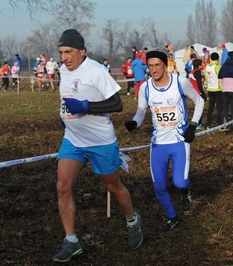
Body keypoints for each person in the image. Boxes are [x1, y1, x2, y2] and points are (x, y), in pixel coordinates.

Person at [54, 29, 143, 262]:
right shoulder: (63, 70)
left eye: (69, 52)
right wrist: (64, 114)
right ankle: (71, 240)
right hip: (73, 140)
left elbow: (117, 103)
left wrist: (85, 106)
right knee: (63, 186)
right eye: (61, 52)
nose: (64, 57)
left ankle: (132, 219)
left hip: (101, 142)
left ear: (82, 51)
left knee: (113, 187)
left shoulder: (95, 70)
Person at [124, 50, 204, 231]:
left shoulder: (180, 82)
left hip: (179, 141)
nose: (154, 70)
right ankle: (173, 217)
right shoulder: (146, 87)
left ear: (165, 65)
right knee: (159, 186)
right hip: (158, 143)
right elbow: (141, 112)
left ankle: (186, 192)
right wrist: (134, 123)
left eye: (157, 65)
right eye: (150, 66)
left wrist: (192, 125)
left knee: (180, 182)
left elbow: (199, 101)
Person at [218, 51, 233, 133]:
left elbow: (220, 79)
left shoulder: (223, 66)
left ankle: (225, 127)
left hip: (225, 90)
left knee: (225, 109)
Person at [204, 52, 223, 129]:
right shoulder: (218, 66)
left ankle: (208, 124)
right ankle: (221, 125)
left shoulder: (207, 66)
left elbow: (206, 78)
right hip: (218, 89)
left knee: (210, 108)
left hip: (210, 89)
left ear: (211, 58)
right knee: (219, 108)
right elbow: (221, 78)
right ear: (218, 59)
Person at [189, 59, 206, 129]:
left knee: (197, 107)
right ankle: (198, 123)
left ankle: (197, 123)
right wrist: (203, 93)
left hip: (193, 91)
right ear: (198, 65)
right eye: (201, 64)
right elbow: (199, 84)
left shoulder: (192, 72)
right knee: (199, 108)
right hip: (198, 92)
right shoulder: (197, 72)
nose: (202, 65)